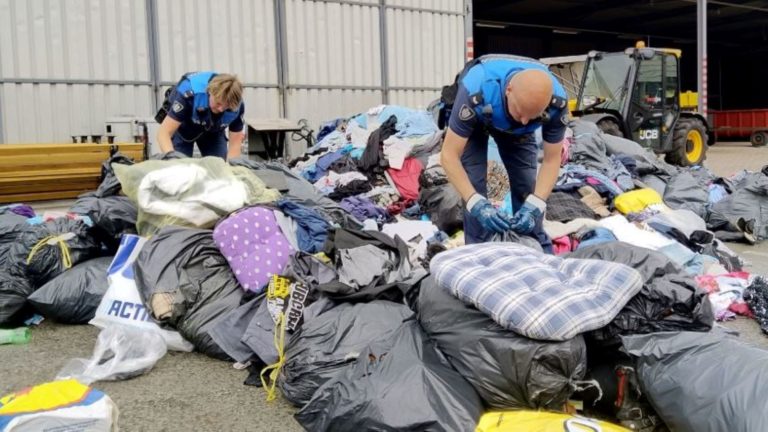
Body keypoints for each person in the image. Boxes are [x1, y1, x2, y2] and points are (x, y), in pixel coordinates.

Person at [439, 54, 569, 251]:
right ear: (509, 91)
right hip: (479, 120)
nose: (525, 120)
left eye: (534, 116)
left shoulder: (557, 102)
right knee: (474, 184)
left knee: (527, 188)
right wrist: (476, 203)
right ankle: (478, 251)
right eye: (520, 112)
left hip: (517, 134)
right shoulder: (476, 89)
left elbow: (552, 160)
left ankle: (535, 248)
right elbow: (449, 156)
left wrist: (537, 203)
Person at [157, 71, 245, 160]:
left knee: (219, 165)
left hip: (213, 130)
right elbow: (164, 133)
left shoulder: (236, 105)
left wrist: (230, 169)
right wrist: (173, 161)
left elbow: (235, 143)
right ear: (210, 92)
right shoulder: (188, 93)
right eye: (218, 103)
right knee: (180, 165)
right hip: (183, 127)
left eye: (226, 107)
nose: (221, 109)